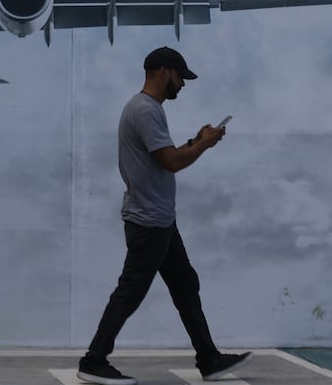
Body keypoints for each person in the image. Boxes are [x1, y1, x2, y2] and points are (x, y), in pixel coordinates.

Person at [75, 47, 253, 385]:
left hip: (159, 221)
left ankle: (210, 359)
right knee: (130, 292)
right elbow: (171, 163)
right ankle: (93, 360)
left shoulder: (146, 109)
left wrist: (196, 141)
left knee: (185, 285)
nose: (182, 84)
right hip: (149, 222)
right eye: (180, 77)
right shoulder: (145, 110)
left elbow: (163, 156)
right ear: (163, 73)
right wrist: (205, 145)